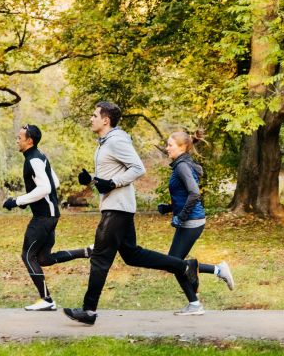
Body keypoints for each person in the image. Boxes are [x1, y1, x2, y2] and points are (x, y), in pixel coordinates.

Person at [63, 102, 200, 325]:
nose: (91, 118)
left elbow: (138, 168)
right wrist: (92, 180)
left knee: (99, 257)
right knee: (133, 255)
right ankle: (184, 266)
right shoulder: (105, 142)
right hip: (115, 206)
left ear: (105, 120)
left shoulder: (116, 139)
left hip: (117, 208)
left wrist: (113, 182)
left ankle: (88, 311)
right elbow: (109, 179)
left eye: (94, 115)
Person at [2, 124, 92, 311]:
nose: (17, 140)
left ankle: (47, 300)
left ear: (29, 140)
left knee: (28, 255)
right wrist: (29, 199)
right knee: (43, 258)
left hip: (43, 217)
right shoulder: (39, 156)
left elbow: (45, 188)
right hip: (50, 215)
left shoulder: (33, 160)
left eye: (20, 137)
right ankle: (85, 252)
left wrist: (18, 201)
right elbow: (54, 182)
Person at [156, 130, 235, 315]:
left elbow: (194, 194)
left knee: (173, 263)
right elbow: (185, 195)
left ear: (182, 147)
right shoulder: (182, 164)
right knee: (174, 262)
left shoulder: (182, 166)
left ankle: (200, 297)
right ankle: (210, 281)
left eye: (170, 145)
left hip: (192, 221)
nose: (167, 148)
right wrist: (169, 209)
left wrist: (180, 217)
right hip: (191, 219)